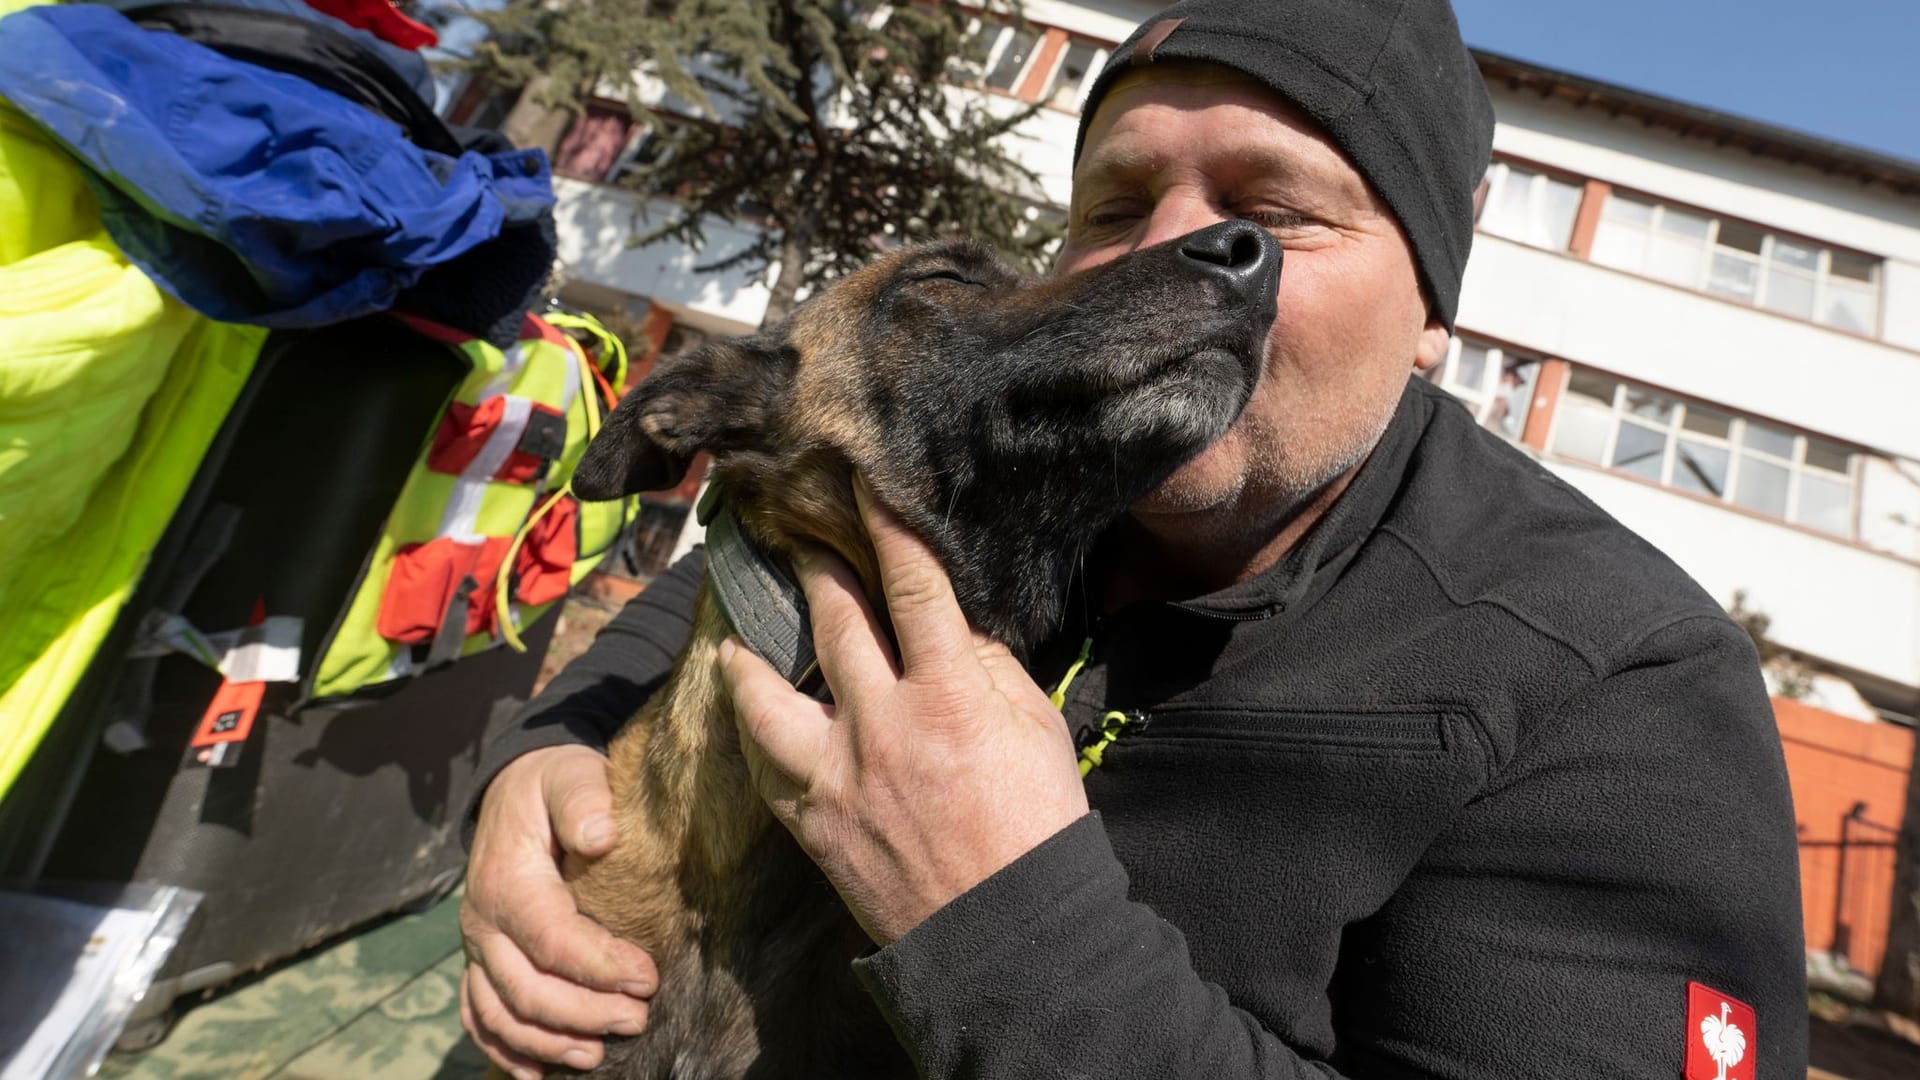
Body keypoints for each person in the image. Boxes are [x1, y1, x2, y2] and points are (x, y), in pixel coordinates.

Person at [458, 1, 1809, 1077]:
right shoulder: (1034, 475)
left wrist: (1008, 926)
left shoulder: (1623, 692)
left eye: (1270, 215)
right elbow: (755, 562)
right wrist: (543, 765)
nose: (1175, 252)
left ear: (1433, 317)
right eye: (1112, 210)